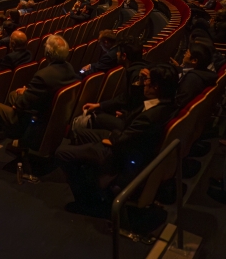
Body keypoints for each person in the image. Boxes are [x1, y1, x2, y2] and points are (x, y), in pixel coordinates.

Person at [55, 64, 178, 215]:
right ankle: (90, 173)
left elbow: (122, 139)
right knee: (79, 133)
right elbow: (133, 110)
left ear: (156, 87)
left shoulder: (150, 116)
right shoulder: (165, 104)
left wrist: (111, 139)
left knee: (62, 152)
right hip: (124, 138)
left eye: (148, 81)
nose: (145, 82)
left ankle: (87, 202)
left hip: (120, 151)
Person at [0, 35, 77, 166]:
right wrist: (26, 93)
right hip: (48, 118)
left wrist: (22, 96)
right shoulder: (70, 69)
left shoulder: (43, 76)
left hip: (32, 122)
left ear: (47, 53)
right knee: (13, 94)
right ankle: (17, 141)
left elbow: (21, 104)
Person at [80, 37, 148, 131]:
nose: (116, 54)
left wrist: (126, 115)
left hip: (132, 125)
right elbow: (127, 97)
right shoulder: (139, 68)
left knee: (93, 117)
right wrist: (99, 105)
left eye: (118, 52)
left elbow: (138, 102)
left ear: (124, 56)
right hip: (131, 116)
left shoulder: (136, 75)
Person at [170, 42, 216, 109]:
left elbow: (178, 103)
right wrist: (179, 69)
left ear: (194, 60)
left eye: (188, 52)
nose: (184, 54)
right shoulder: (204, 73)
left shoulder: (191, 79)